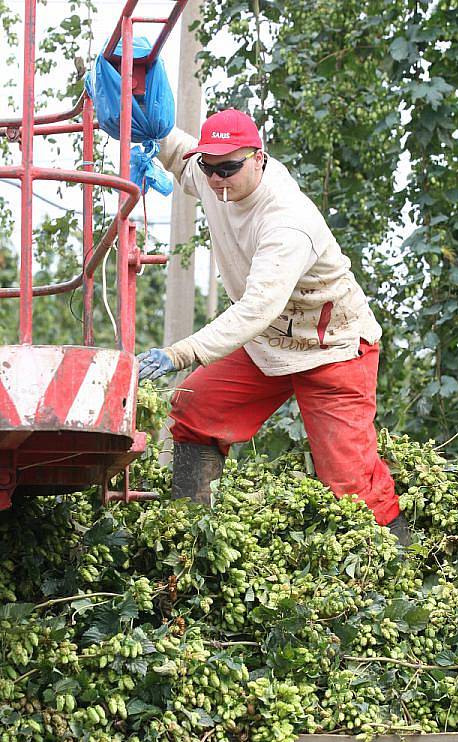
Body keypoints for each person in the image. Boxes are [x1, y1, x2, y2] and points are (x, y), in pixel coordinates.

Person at [137, 108, 410, 545]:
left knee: (350, 487)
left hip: (331, 347)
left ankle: (399, 572)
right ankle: (190, 540)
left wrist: (178, 353)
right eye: (211, 167)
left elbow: (256, 308)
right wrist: (140, 119)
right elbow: (176, 151)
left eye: (230, 167)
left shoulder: (286, 220)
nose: (219, 179)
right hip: (268, 343)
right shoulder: (213, 178)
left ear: (259, 159)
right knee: (194, 410)